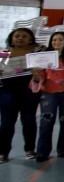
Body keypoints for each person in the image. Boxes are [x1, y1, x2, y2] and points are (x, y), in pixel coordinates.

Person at [31, 31, 64, 161]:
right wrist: (36, 75)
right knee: (46, 122)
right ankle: (42, 152)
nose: (57, 42)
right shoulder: (45, 57)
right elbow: (41, 76)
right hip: (48, 93)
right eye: (54, 40)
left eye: (60, 39)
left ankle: (63, 149)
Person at [0, 28, 39, 163]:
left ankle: (30, 150)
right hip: (7, 92)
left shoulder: (35, 54)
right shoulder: (4, 55)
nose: (20, 38)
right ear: (11, 38)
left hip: (29, 92)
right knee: (6, 123)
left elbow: (41, 76)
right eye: (17, 36)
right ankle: (3, 152)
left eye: (24, 36)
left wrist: (37, 74)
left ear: (30, 39)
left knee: (29, 122)